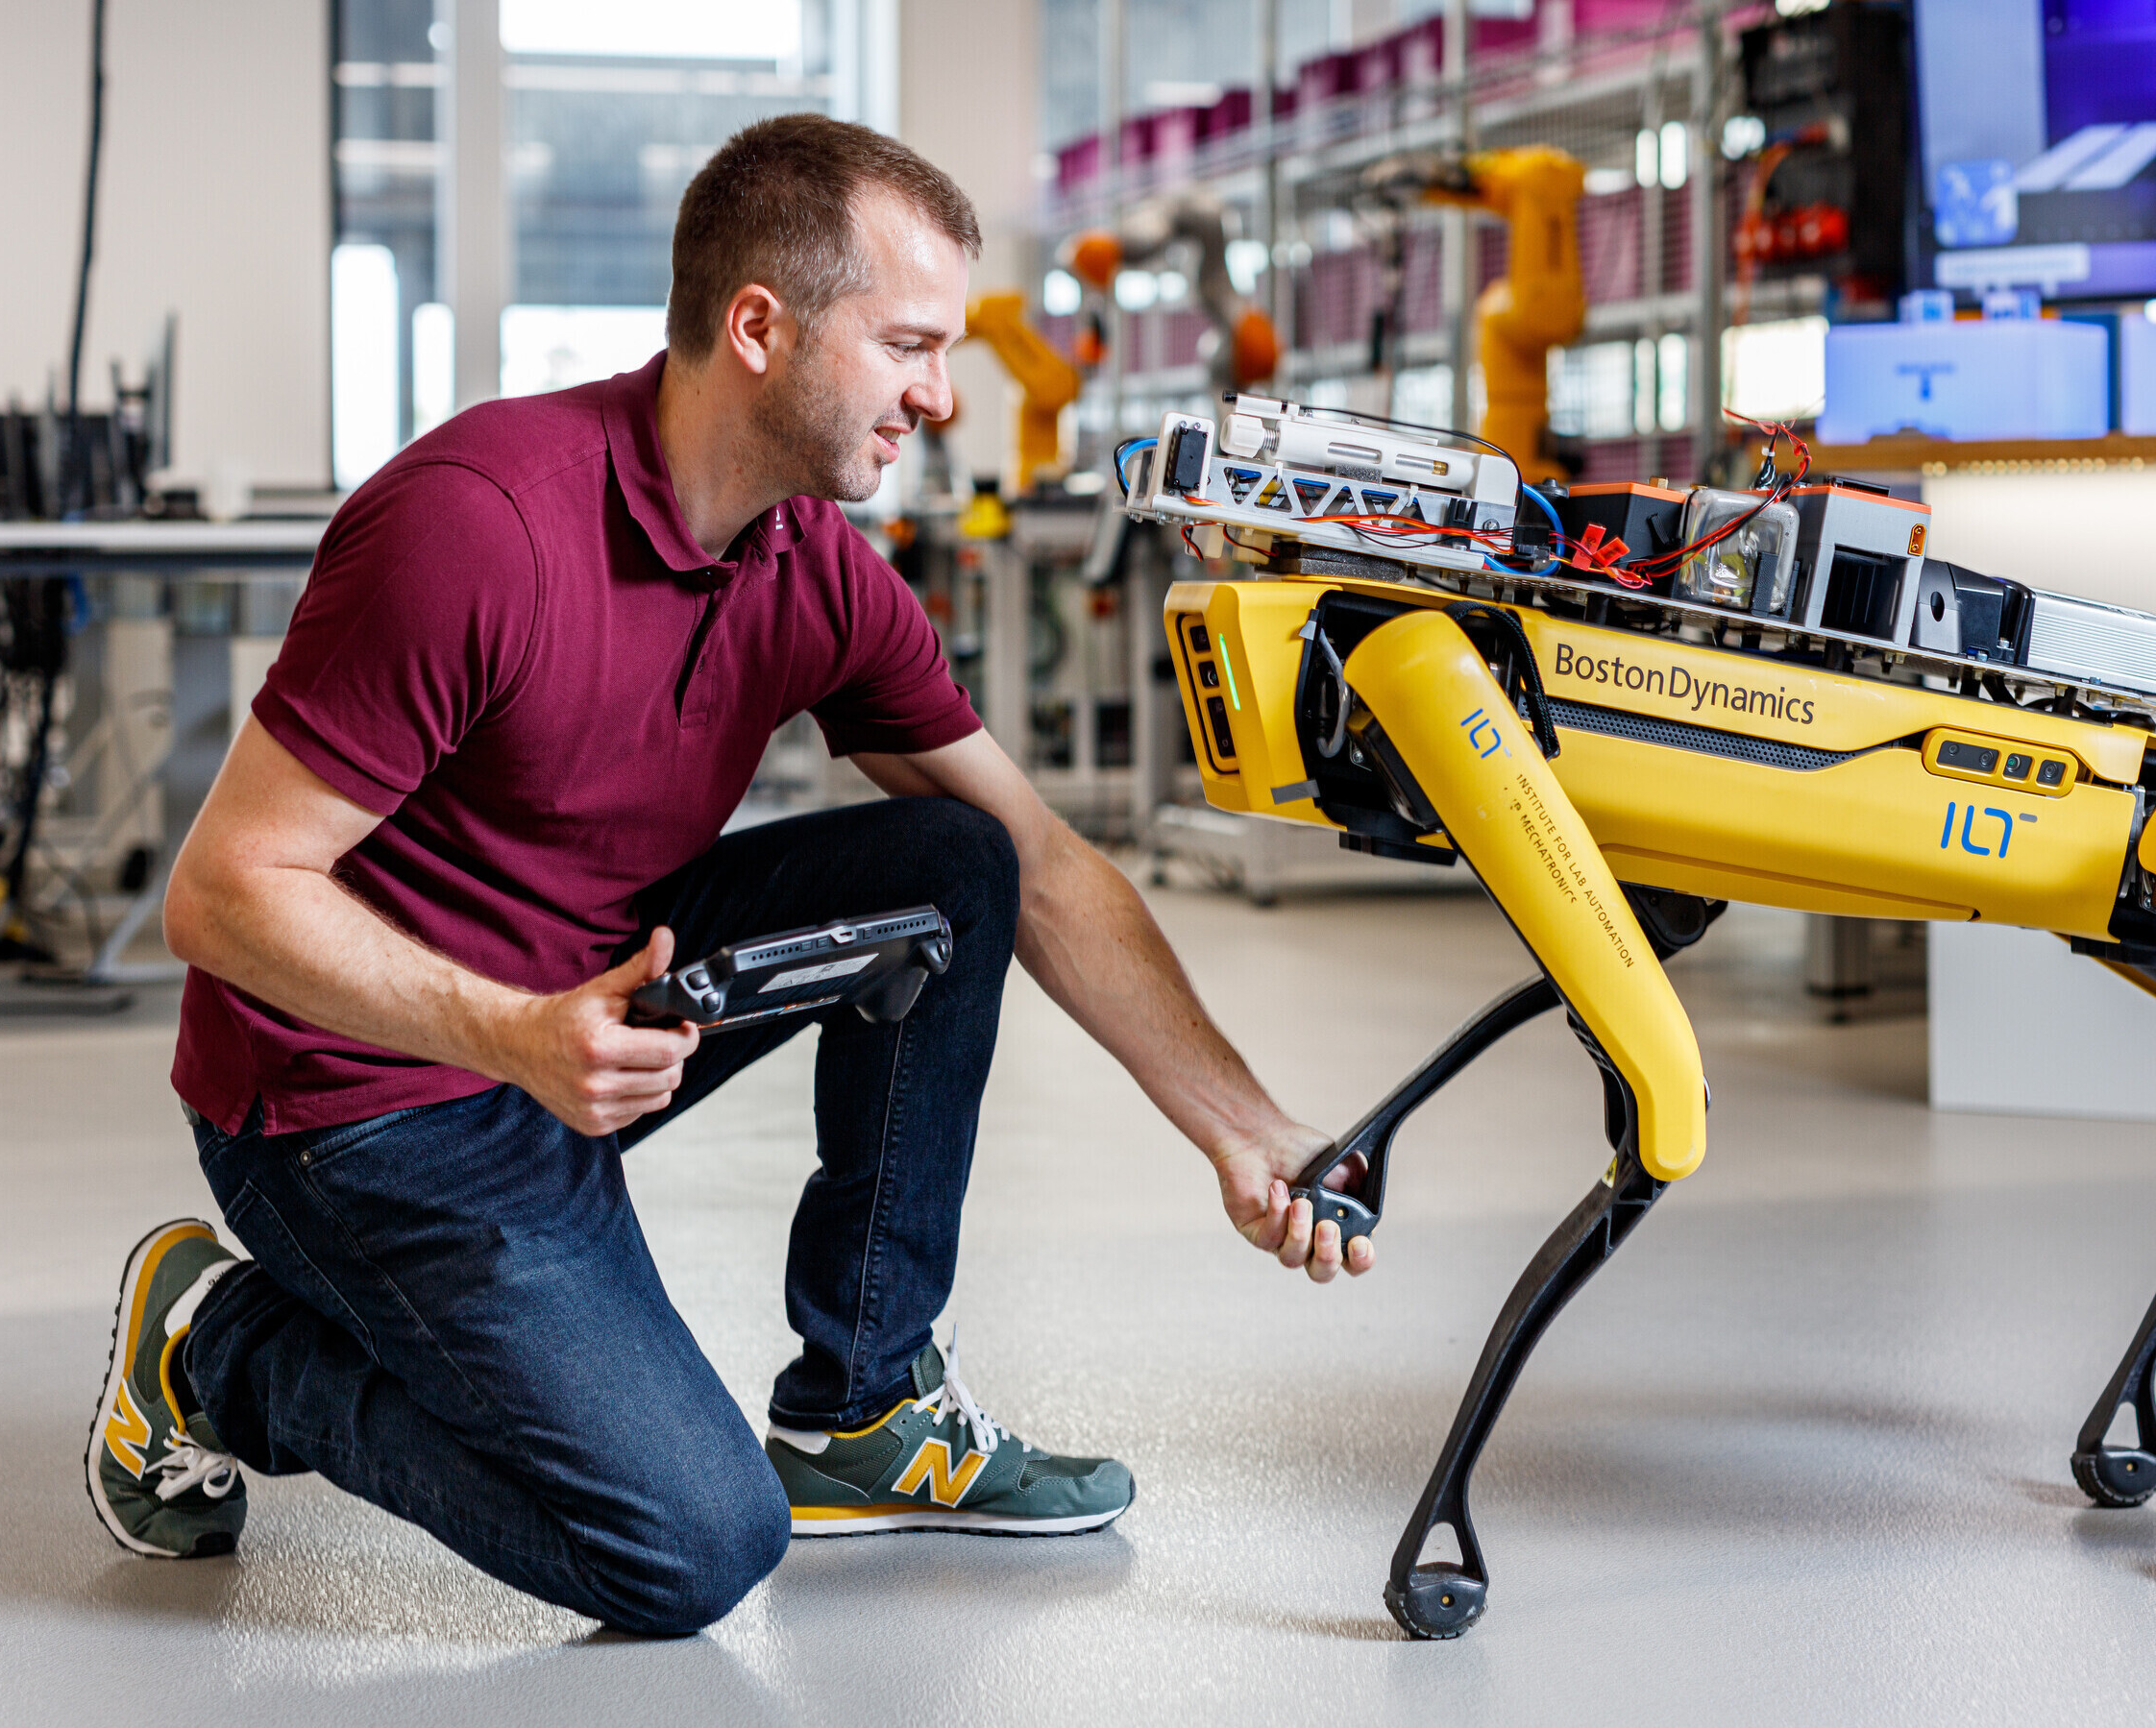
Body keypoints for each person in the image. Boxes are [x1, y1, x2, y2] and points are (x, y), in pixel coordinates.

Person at [82, 114, 1368, 1638]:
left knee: (957, 860)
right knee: (685, 1551)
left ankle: (864, 1406)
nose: (941, 397)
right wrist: (509, 1032)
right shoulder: (478, 530)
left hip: (589, 1024)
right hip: (353, 1110)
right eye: (906, 344)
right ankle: (219, 1347)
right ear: (760, 327)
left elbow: (1043, 862)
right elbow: (222, 898)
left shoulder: (813, 564)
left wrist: (1251, 1131)